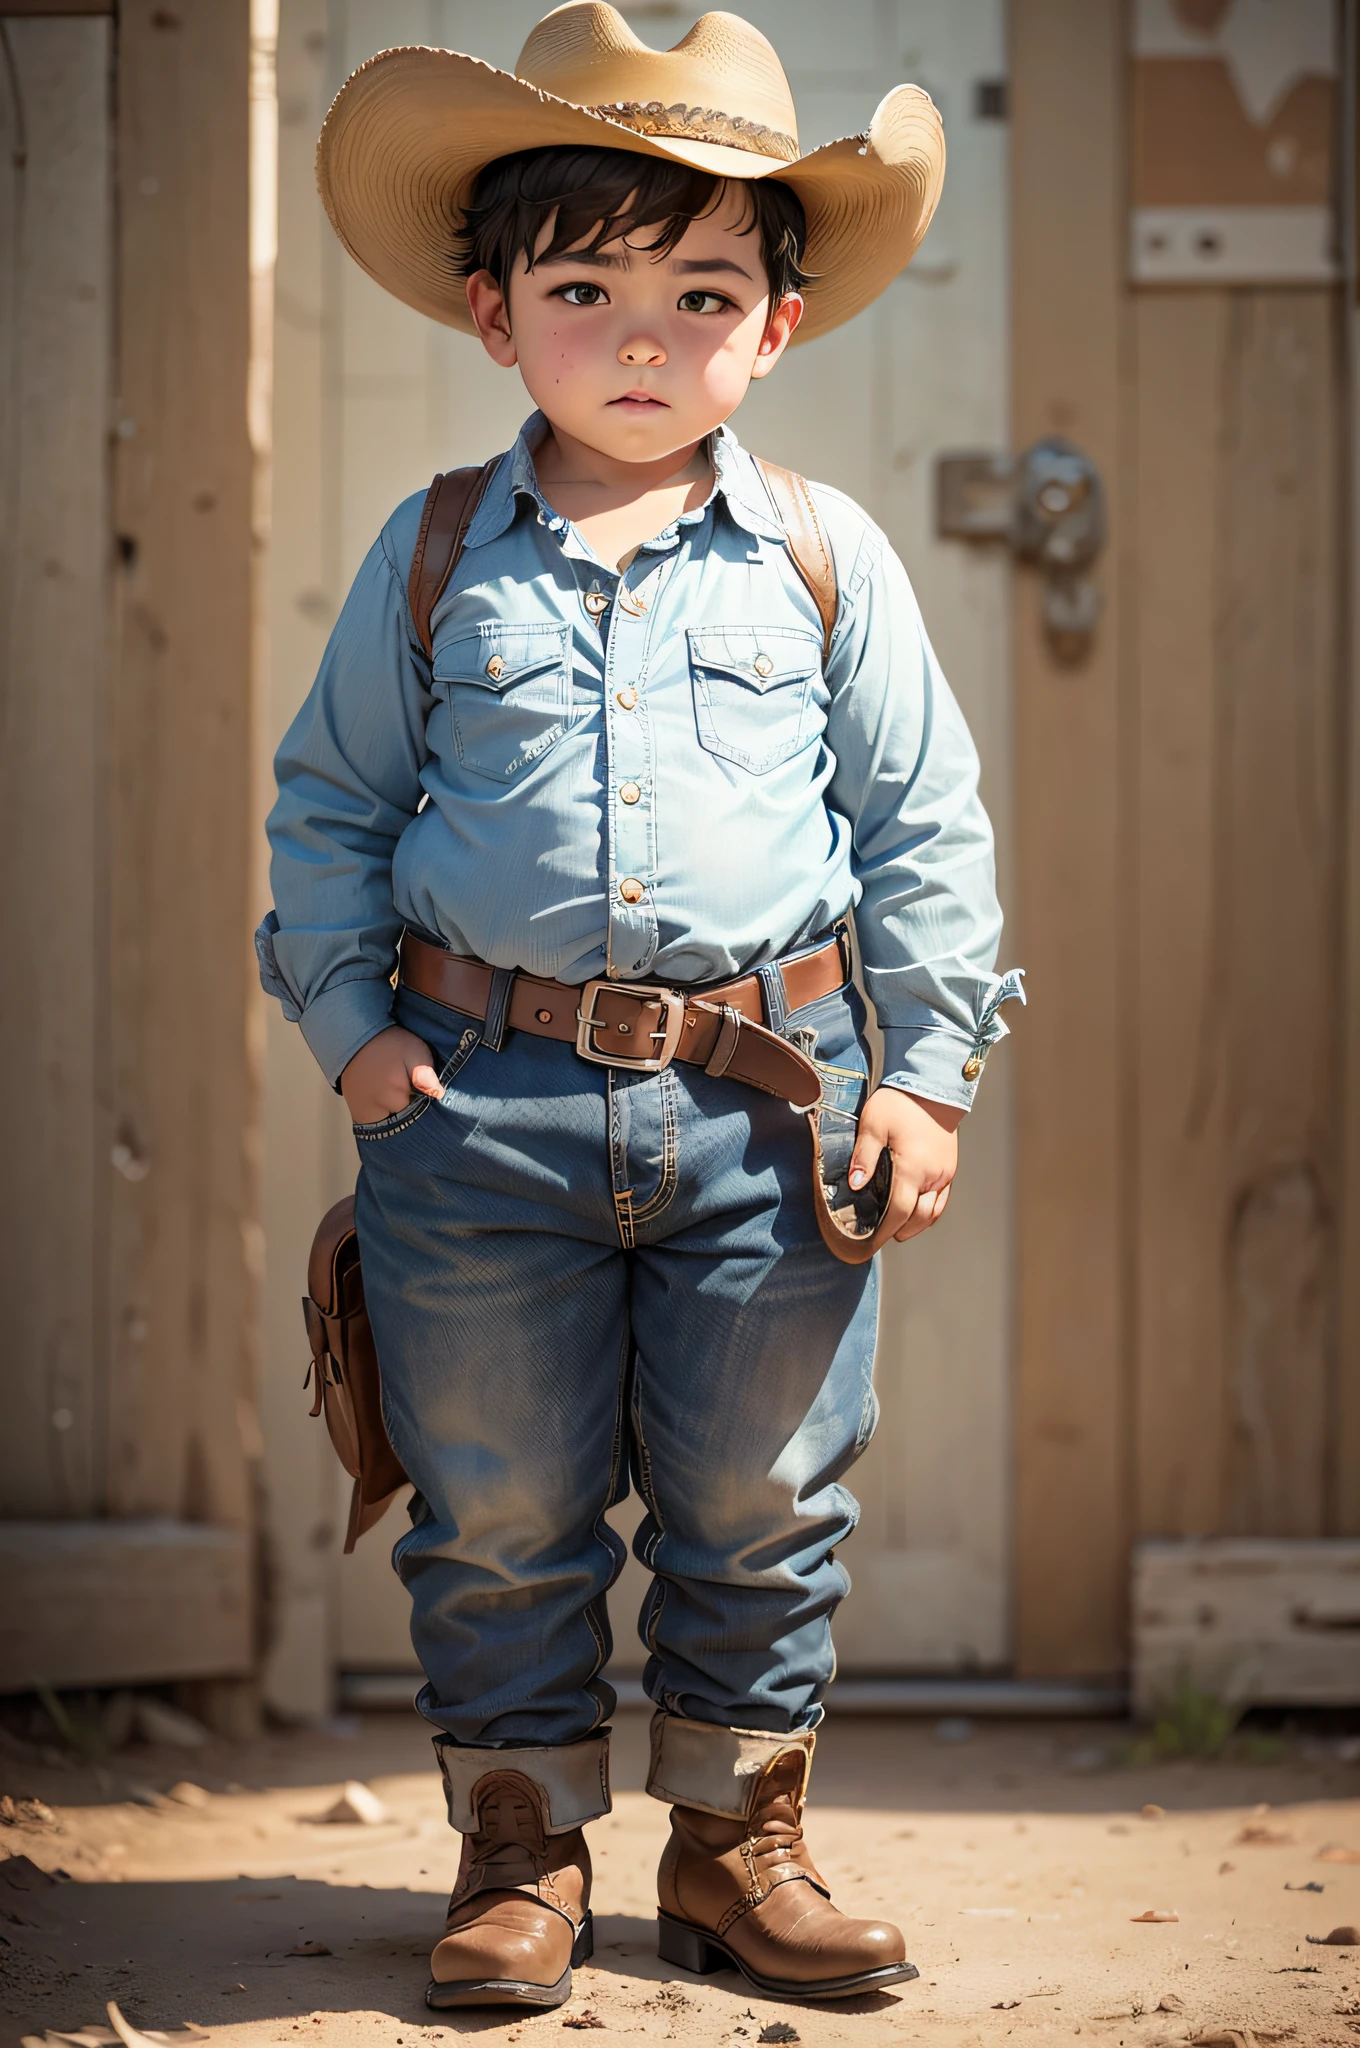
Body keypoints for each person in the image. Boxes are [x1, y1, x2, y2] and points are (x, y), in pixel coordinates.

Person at [258, 0, 1022, 2016]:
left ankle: (734, 1843)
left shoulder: (820, 565)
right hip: (476, 1107)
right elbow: (328, 809)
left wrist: (924, 1078)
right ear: (491, 314)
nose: (641, 335)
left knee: (761, 1491)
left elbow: (922, 829)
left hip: (769, 1109)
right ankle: (517, 1845)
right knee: (497, 1503)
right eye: (581, 285)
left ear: (772, 326)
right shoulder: (433, 562)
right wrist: (354, 1029)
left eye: (698, 290)